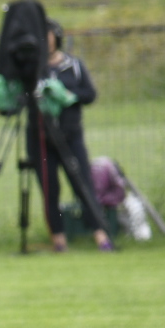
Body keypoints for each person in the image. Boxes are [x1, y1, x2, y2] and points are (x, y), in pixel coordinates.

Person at [31, 20, 113, 253]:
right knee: (50, 190)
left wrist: (68, 95)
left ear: (57, 38)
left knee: (83, 185)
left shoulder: (73, 65)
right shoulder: (34, 68)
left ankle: (101, 237)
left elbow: (89, 94)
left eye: (48, 37)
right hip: (42, 140)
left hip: (70, 136)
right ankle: (59, 241)